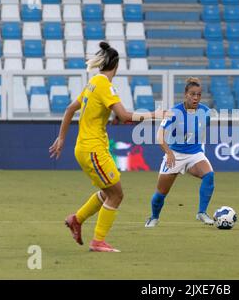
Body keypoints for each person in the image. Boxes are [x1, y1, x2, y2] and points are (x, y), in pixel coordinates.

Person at [49, 41, 164, 252]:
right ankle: (98, 241)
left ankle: (76, 219)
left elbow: (69, 109)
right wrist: (154, 115)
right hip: (93, 149)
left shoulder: (93, 82)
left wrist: (61, 138)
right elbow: (125, 116)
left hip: (86, 148)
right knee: (117, 194)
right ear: (116, 66)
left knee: (108, 191)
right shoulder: (104, 85)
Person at [145, 77, 216, 228]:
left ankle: (202, 212)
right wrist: (168, 152)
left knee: (209, 175)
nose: (195, 97)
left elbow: (201, 130)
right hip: (175, 155)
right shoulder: (174, 112)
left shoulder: (206, 112)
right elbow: (159, 135)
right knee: (160, 194)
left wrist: (200, 148)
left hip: (194, 154)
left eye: (198, 94)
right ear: (185, 94)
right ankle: (154, 217)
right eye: (192, 94)